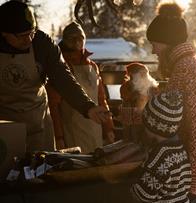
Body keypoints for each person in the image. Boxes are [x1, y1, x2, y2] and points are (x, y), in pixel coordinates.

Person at [0, 1, 111, 152]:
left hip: (38, 121)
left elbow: (63, 78)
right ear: (4, 33)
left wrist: (87, 107)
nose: (28, 40)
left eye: (31, 33)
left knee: (42, 168)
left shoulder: (42, 44)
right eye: (22, 36)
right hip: (4, 123)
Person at [146, 3, 196, 203]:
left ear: (167, 42)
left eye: (155, 44)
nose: (153, 50)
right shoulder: (187, 64)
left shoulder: (189, 68)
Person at [46, 22, 115, 153]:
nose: (78, 41)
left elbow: (101, 99)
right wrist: (59, 137)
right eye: (73, 38)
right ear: (65, 40)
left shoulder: (93, 66)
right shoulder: (60, 68)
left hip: (95, 129)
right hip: (72, 132)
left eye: (81, 38)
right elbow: (53, 107)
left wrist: (108, 128)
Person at [131, 91, 191, 203]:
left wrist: (133, 189)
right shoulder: (180, 148)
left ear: (152, 125)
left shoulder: (160, 156)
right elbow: (186, 182)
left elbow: (144, 194)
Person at [119, 62, 159, 142]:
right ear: (131, 74)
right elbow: (125, 96)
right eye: (141, 73)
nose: (144, 75)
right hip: (130, 120)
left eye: (145, 73)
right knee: (130, 138)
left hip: (146, 121)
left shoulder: (152, 88)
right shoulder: (126, 86)